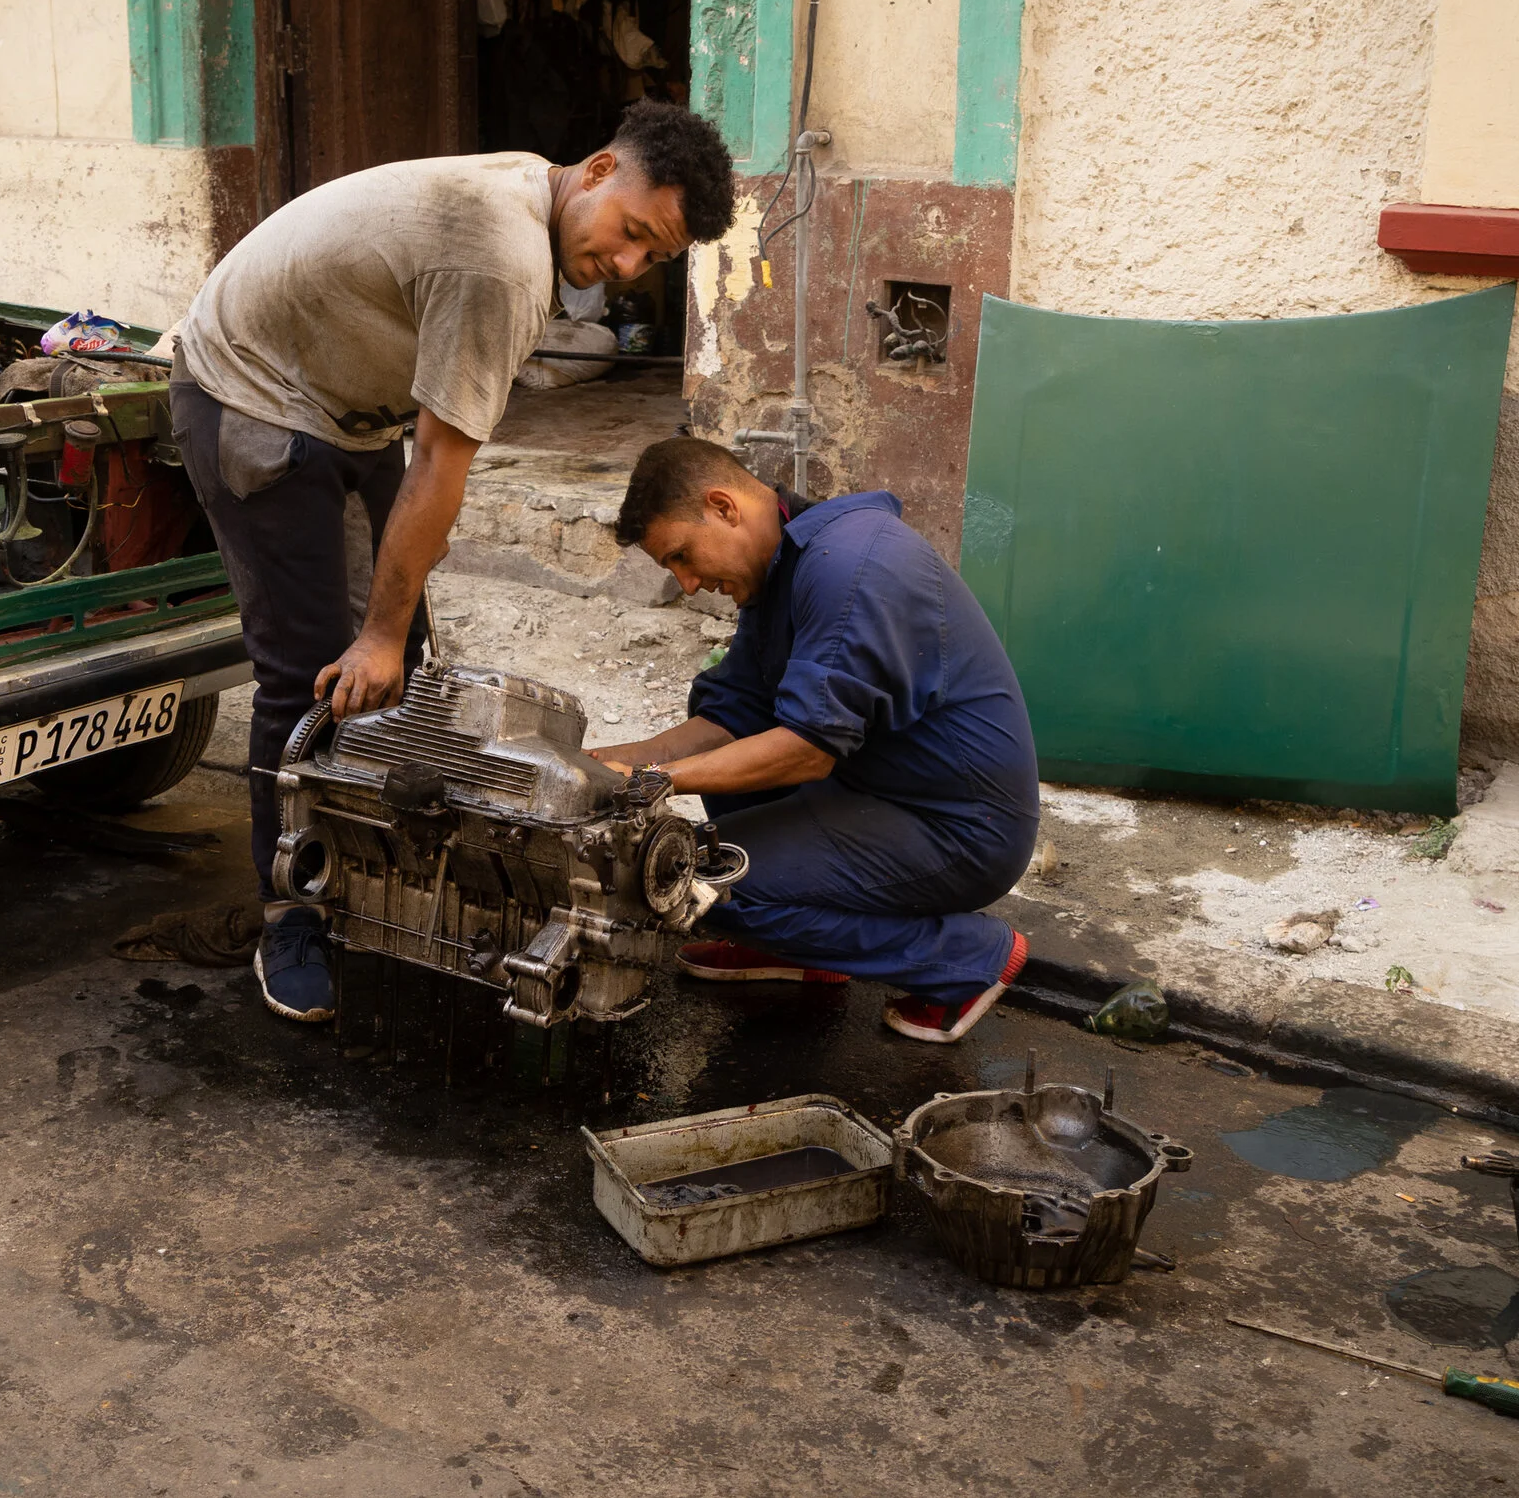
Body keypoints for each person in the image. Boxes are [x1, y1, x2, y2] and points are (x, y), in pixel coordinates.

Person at [169, 104, 738, 1023]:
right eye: (631, 233)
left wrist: (395, 635)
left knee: (402, 673)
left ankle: (379, 877)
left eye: (654, 259)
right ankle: (292, 914)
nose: (628, 270)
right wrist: (379, 635)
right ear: (596, 172)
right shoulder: (502, 260)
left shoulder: (538, 197)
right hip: (253, 391)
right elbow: (442, 462)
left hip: (345, 401)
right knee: (321, 674)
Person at [589, 438, 1040, 1042]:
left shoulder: (849, 567)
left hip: (961, 830)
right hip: (875, 796)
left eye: (682, 556)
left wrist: (652, 782)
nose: (688, 583)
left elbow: (806, 748)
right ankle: (801, 947)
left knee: (691, 878)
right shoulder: (784, 563)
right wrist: (614, 762)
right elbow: (734, 714)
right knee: (723, 714)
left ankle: (968, 959)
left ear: (724, 508)